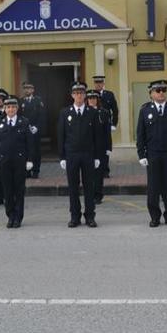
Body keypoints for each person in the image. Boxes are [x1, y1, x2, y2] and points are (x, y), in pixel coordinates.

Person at [136, 79, 167, 227]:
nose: (161, 93)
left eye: (163, 90)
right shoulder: (145, 110)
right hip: (152, 154)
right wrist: (141, 155)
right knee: (153, 187)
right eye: (158, 91)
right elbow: (141, 135)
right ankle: (155, 216)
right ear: (151, 93)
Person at [58, 82, 101, 228]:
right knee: (73, 187)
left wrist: (97, 157)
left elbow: (97, 136)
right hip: (72, 155)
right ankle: (74, 216)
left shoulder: (92, 112)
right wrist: (62, 157)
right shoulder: (65, 113)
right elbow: (61, 136)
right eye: (76, 93)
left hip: (88, 154)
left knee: (89, 187)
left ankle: (90, 216)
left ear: (85, 95)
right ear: (72, 95)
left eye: (81, 93)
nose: (79, 96)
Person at [0, 97, 36, 228]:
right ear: (5, 109)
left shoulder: (24, 122)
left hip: (19, 161)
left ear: (17, 109)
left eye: (13, 107)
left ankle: (18, 217)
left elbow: (30, 143)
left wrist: (30, 160)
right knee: (7, 190)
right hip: (4, 161)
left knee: (19, 190)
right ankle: (10, 216)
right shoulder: (0, 122)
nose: (11, 109)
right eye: (8, 107)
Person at [86, 89, 113, 204]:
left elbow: (107, 132)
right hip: (87, 147)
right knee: (88, 173)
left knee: (99, 173)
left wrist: (108, 147)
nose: (92, 100)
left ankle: (98, 195)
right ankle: (90, 194)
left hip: (100, 147)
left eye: (94, 98)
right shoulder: (84, 112)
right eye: (90, 98)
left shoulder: (104, 112)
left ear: (97, 100)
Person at [19, 81, 47, 178]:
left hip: (35, 130)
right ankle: (27, 171)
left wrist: (37, 127)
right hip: (24, 130)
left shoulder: (38, 101)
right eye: (25, 88)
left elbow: (42, 116)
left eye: (29, 88)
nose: (27, 90)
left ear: (33, 90)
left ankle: (36, 171)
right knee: (26, 150)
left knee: (36, 151)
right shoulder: (20, 101)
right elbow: (19, 116)